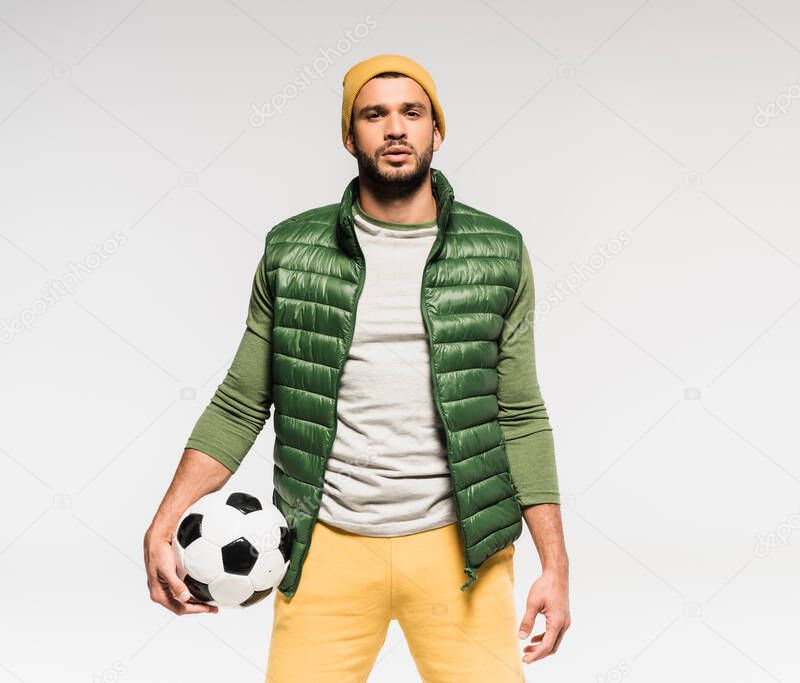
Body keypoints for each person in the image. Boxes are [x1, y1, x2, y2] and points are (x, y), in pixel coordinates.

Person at [143, 53, 570, 681]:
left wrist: (554, 564)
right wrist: (164, 519)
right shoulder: (293, 250)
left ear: (435, 131)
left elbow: (520, 414)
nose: (394, 128)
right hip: (326, 550)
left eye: (411, 112)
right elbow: (241, 401)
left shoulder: (497, 251)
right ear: (351, 136)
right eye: (375, 114)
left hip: (463, 552)